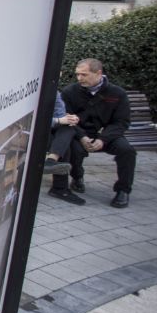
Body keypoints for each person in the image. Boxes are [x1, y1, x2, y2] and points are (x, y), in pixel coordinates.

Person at [51, 58, 136, 209]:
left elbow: (121, 122)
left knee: (127, 151)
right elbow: (67, 118)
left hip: (107, 135)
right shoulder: (70, 92)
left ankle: (123, 190)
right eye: (77, 74)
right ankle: (77, 178)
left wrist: (103, 139)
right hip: (79, 133)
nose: (79, 78)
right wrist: (82, 137)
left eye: (84, 75)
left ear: (98, 73)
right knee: (74, 149)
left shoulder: (117, 93)